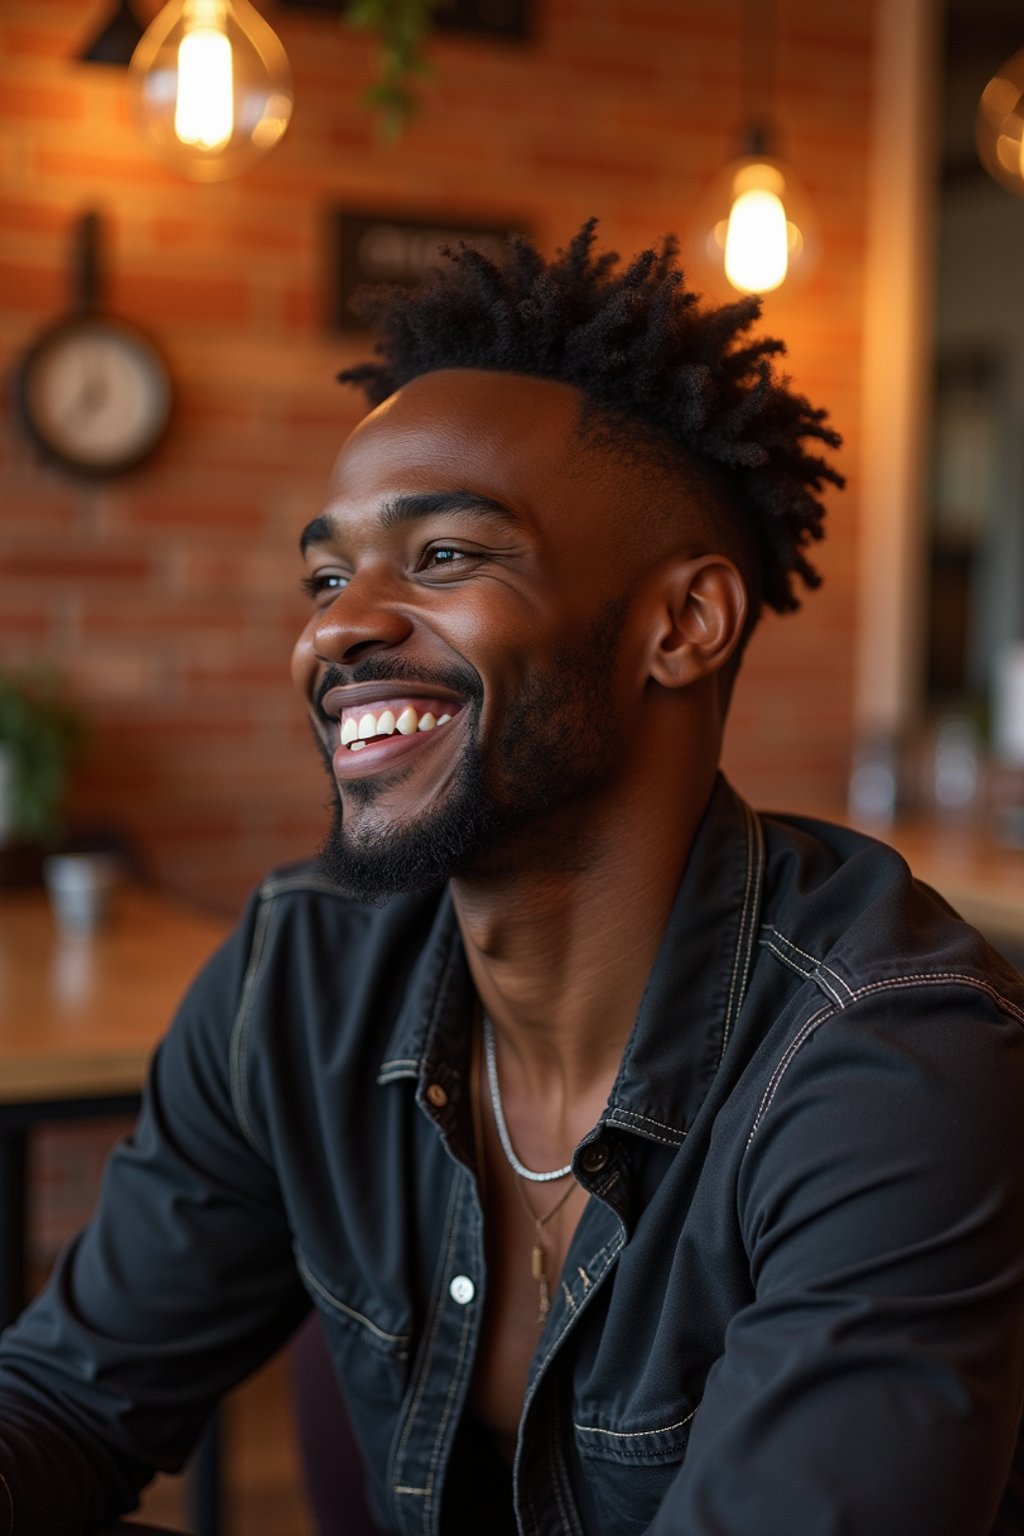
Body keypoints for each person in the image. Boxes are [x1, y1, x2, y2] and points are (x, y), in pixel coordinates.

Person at [1, 220, 1023, 1536]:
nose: (337, 625)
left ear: (683, 625)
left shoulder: (890, 1061)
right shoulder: (304, 974)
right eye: (326, 573)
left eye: (443, 558)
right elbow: (72, 1401)